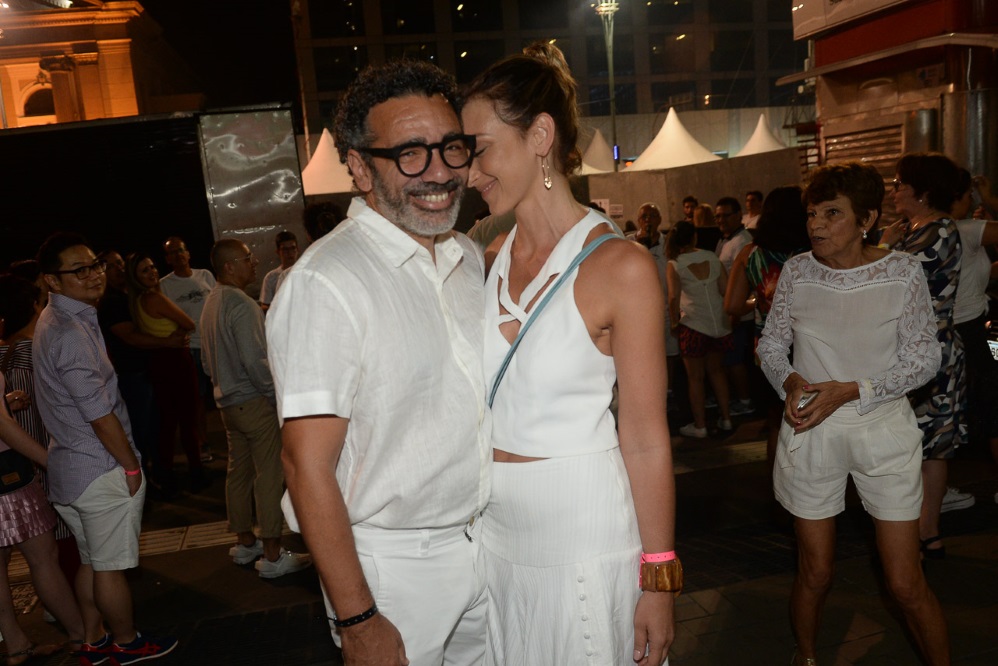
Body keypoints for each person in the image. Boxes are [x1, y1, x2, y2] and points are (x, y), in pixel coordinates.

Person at [267, 60, 489, 666]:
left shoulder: (466, 257)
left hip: (485, 546)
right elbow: (305, 464)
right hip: (394, 568)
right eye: (410, 154)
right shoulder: (325, 282)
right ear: (361, 168)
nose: (439, 172)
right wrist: (358, 617)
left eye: (451, 148)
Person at [463, 42, 679, 666]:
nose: (469, 174)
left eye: (480, 150)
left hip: (584, 532)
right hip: (495, 533)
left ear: (539, 136)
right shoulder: (488, 258)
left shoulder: (622, 267)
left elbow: (645, 437)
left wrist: (659, 577)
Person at [757, 162, 949, 666]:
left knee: (905, 583)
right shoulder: (798, 270)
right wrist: (790, 381)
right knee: (816, 572)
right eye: (812, 214)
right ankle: (806, 657)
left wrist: (853, 390)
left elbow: (925, 357)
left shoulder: (901, 271)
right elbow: (771, 344)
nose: (816, 225)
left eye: (832, 213)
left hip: (883, 430)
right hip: (810, 431)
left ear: (866, 219)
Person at [33, 232, 177, 664]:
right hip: (98, 469)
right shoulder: (70, 332)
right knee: (110, 567)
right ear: (52, 281)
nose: (94, 274)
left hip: (70, 468)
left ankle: (94, 642)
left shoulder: (53, 319)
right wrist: (131, 466)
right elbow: (99, 414)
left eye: (95, 264)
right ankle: (127, 643)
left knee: (93, 562)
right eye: (79, 270)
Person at [200, 239, 312, 578]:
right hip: (253, 401)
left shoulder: (211, 302)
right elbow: (255, 361)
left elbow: (206, 361)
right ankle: (273, 554)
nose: (254, 263)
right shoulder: (241, 304)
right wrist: (273, 393)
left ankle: (246, 542)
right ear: (229, 266)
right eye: (248, 258)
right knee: (269, 476)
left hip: (227, 402)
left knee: (238, 473)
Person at [880, 152, 965, 560]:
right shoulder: (912, 230)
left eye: (899, 184)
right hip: (910, 350)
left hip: (930, 351)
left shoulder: (939, 231)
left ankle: (924, 531)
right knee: (916, 443)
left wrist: (882, 245)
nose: (893, 191)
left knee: (930, 443)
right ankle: (916, 531)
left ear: (923, 192)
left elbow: (889, 282)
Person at [724, 186, 810, 462]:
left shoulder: (750, 253)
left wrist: (761, 300)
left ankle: (778, 484)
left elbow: (732, 305)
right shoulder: (813, 251)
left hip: (770, 350)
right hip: (811, 345)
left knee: (777, 422)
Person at [124, 253, 208, 494]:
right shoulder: (154, 298)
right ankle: (196, 472)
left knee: (167, 421)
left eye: (152, 267)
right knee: (187, 418)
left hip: (157, 360)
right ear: (135, 277)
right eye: (144, 270)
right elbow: (189, 323)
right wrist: (176, 337)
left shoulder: (135, 300)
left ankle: (167, 474)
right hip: (175, 359)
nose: (152, 272)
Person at [666, 221, 733, 439]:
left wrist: (674, 323)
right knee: (717, 372)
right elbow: (725, 289)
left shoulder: (675, 264)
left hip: (693, 325)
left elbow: (673, 297)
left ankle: (700, 426)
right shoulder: (712, 257)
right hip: (719, 325)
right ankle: (726, 419)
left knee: (695, 378)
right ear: (694, 236)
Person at [159, 236, 215, 463]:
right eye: (172, 252)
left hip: (212, 344)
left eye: (181, 250)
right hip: (191, 347)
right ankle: (202, 443)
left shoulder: (205, 275)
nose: (178, 255)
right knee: (197, 400)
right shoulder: (165, 285)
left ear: (188, 253)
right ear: (167, 259)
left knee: (223, 393)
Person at [715, 196, 755, 417]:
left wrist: (738, 311)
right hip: (730, 310)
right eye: (718, 216)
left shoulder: (742, 242)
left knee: (735, 360)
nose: (721, 220)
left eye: (725, 215)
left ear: (739, 215)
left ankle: (745, 400)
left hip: (740, 314)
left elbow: (748, 279)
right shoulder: (725, 240)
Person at [259, 231, 298, 311]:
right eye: (285, 249)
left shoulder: (305, 273)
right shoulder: (271, 277)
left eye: (292, 248)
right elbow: (265, 305)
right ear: (278, 252)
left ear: (297, 250)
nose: (289, 253)